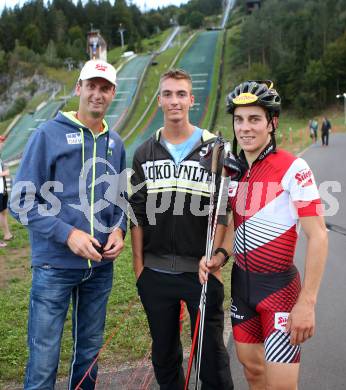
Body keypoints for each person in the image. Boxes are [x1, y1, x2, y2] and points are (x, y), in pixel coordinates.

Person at [199, 80, 328, 390]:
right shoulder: (233, 171)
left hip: (279, 292)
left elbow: (319, 236)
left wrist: (307, 303)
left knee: (281, 386)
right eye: (239, 119)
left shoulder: (293, 168)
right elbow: (237, 226)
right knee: (254, 373)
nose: (245, 128)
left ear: (272, 122)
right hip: (242, 289)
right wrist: (220, 256)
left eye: (254, 119)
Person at [9, 59, 127, 390]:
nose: (97, 94)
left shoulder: (115, 143)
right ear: (79, 88)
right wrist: (68, 234)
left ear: (113, 94)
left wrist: (119, 230)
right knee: (44, 359)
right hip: (54, 267)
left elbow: (119, 200)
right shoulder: (47, 134)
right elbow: (20, 201)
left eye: (104, 88)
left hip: (100, 269)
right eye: (91, 86)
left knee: (89, 354)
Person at [130, 69, 234, 390]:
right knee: (164, 356)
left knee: (211, 360)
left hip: (201, 275)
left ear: (191, 99)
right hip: (156, 273)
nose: (174, 101)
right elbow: (136, 215)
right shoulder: (144, 153)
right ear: (159, 100)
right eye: (168, 94)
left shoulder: (215, 150)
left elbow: (224, 212)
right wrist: (139, 270)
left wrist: (217, 260)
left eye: (180, 94)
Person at [0, 154, 13, 247]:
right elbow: (5, 172)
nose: (2, 144)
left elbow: (6, 170)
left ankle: (7, 234)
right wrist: (4, 173)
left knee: (4, 211)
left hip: (2, 189)